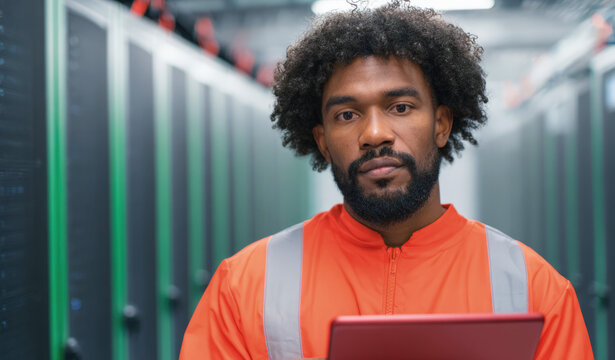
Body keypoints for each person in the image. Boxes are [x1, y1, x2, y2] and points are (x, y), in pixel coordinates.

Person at [180, 3, 593, 359]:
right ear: (323, 142)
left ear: (441, 124)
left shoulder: (534, 288)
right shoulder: (243, 286)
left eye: (399, 106)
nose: (374, 133)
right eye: (347, 114)